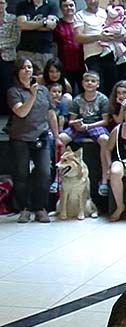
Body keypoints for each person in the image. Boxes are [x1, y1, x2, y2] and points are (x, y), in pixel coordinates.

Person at [7, 57, 60, 223]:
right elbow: (21, 112)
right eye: (23, 68)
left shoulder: (43, 90)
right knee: (22, 174)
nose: (27, 70)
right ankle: (24, 208)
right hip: (20, 138)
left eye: (29, 67)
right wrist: (31, 95)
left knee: (44, 172)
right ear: (18, 72)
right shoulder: (13, 92)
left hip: (41, 136)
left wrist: (57, 136)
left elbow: (50, 114)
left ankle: (40, 208)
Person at [59, 71, 111, 197]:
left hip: (95, 125)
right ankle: (59, 178)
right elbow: (71, 120)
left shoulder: (103, 99)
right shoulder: (77, 100)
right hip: (80, 126)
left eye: (93, 81)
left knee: (105, 139)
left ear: (97, 84)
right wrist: (76, 124)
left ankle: (104, 179)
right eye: (87, 81)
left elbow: (105, 121)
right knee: (61, 139)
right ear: (82, 83)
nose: (89, 83)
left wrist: (88, 126)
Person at [74, 0, 120, 97]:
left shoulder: (105, 12)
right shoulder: (80, 15)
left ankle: (110, 111)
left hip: (109, 54)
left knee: (112, 87)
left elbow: (115, 25)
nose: (92, 1)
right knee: (98, 88)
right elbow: (79, 37)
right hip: (92, 57)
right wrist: (99, 37)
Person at [15, 0, 58, 70]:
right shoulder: (22, 5)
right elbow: (22, 25)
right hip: (25, 51)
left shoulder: (52, 5)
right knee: (22, 79)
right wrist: (44, 23)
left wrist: (29, 24)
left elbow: (51, 26)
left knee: (43, 79)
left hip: (44, 52)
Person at [53, 0, 84, 95]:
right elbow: (54, 46)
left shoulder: (81, 23)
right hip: (65, 66)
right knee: (67, 94)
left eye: (71, 5)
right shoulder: (57, 25)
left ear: (75, 7)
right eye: (65, 6)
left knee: (83, 93)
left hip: (82, 65)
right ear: (61, 9)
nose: (69, 8)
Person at [108, 0, 126, 82]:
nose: (117, 10)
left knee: (123, 88)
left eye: (120, 7)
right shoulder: (106, 21)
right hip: (110, 60)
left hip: (125, 60)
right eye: (114, 7)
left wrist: (114, 32)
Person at [0, 0, 18, 115]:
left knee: (7, 86)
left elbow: (16, 39)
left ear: (6, 4)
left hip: (7, 58)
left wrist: (0, 46)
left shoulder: (13, 19)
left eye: (1, 2)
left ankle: (8, 114)